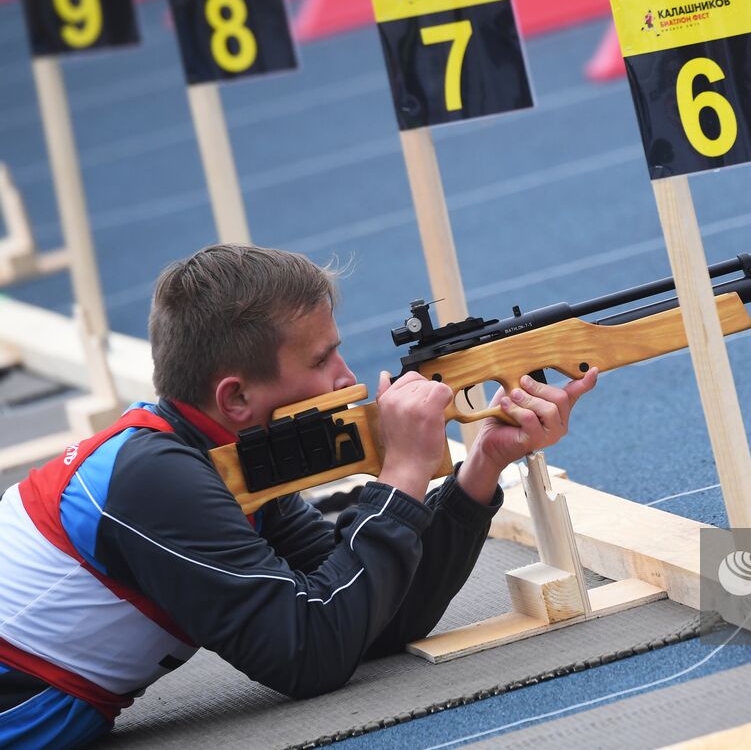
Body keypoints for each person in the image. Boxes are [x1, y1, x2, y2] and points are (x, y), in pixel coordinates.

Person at [0, 244, 598, 748]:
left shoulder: (226, 461)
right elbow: (310, 651)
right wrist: (405, 473)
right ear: (234, 398)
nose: (345, 376)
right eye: (321, 358)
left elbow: (374, 616)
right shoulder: (156, 479)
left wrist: (481, 468)